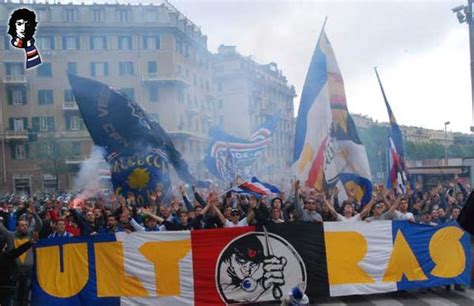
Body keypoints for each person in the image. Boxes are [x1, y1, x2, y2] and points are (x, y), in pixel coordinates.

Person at [0, 204, 42, 306]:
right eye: (22, 225)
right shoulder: (10, 236)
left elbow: (39, 225)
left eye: (26, 225)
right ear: (17, 227)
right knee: (15, 296)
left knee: (26, 295)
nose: (25, 227)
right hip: (15, 271)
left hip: (29, 270)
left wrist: (35, 214)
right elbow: (1, 228)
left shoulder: (30, 235)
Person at [0, 232, 38, 306]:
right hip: (7, 287)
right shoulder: (7, 256)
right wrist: (30, 243)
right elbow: (19, 250)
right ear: (4, 246)